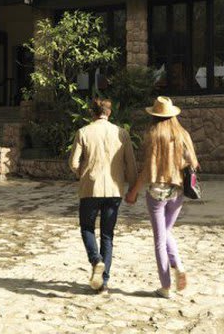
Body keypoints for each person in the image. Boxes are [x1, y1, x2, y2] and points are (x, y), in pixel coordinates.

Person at [125, 96, 199, 299]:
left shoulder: (154, 135)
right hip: (177, 192)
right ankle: (179, 266)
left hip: (157, 193)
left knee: (160, 239)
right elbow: (193, 163)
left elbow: (147, 170)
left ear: (155, 117)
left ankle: (165, 286)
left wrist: (133, 192)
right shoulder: (183, 134)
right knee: (167, 232)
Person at [69, 98, 138, 294]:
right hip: (114, 190)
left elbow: (73, 163)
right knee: (108, 235)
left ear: (93, 112)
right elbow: (131, 164)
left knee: (87, 228)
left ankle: (95, 260)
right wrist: (133, 187)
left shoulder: (83, 132)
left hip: (90, 188)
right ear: (109, 113)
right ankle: (103, 283)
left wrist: (83, 174)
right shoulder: (121, 133)